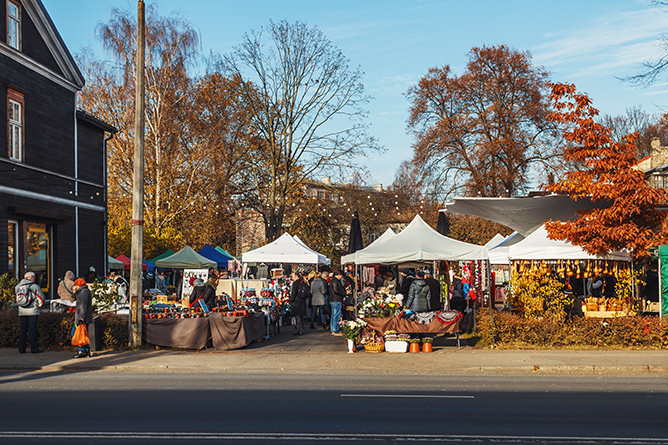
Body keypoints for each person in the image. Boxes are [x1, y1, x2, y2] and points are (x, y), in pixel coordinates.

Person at [16, 271, 46, 354]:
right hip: (33, 311)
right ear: (32, 278)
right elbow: (41, 299)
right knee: (32, 330)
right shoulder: (34, 286)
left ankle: (21, 349)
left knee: (23, 330)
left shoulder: (18, 286)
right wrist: (39, 307)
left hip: (22, 311)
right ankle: (34, 348)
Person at [72, 278, 93, 358]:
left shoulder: (83, 292)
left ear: (78, 285)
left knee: (75, 333)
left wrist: (81, 317)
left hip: (81, 317)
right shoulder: (84, 291)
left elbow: (83, 306)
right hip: (84, 316)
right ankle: (86, 350)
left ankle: (81, 350)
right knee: (83, 334)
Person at [328, 270, 346, 336]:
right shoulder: (336, 281)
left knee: (333, 315)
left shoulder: (332, 280)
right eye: (341, 275)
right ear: (338, 274)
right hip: (336, 299)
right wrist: (343, 293)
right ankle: (336, 330)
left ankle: (333, 329)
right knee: (336, 315)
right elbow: (336, 290)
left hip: (333, 299)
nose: (341, 277)